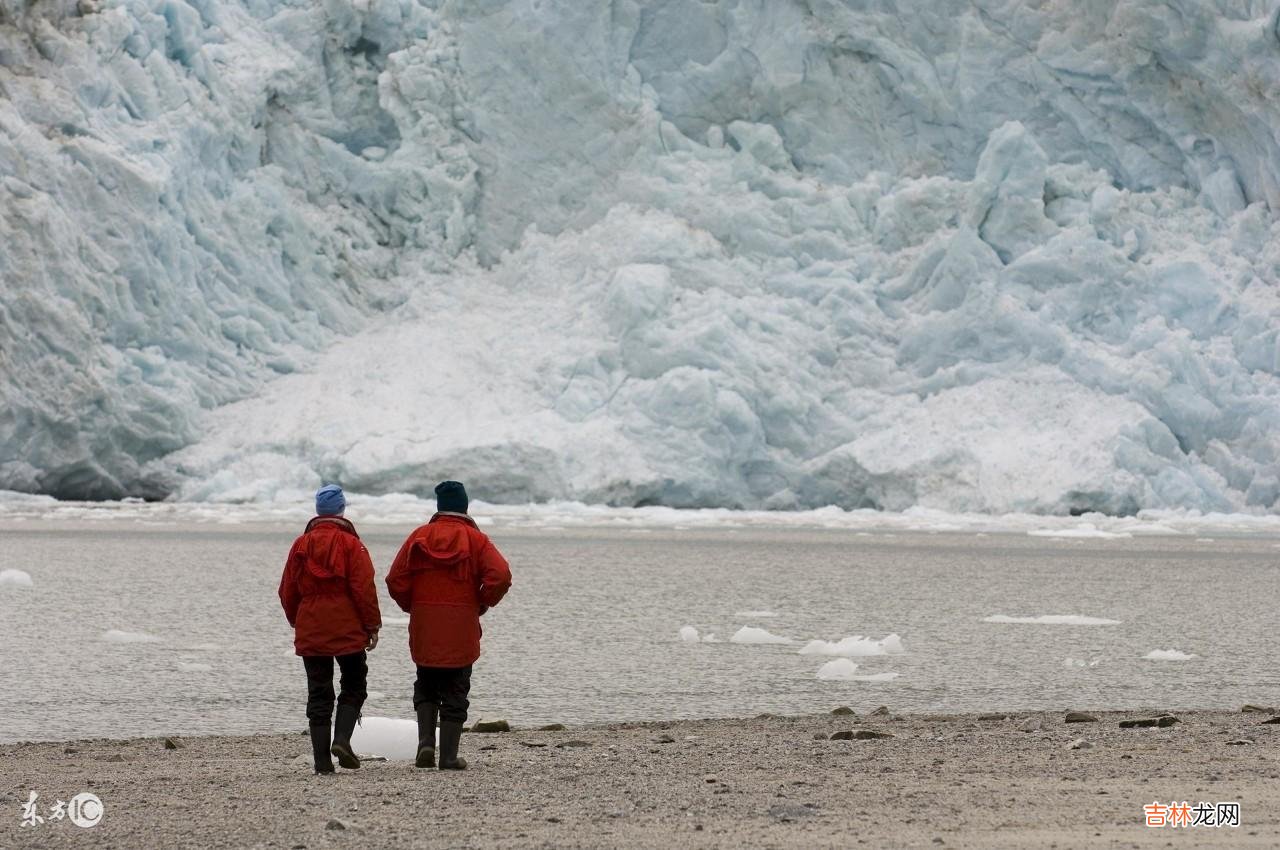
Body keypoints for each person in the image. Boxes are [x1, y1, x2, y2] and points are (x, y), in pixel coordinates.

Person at [386, 480, 512, 770]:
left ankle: (426, 744)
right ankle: (449, 756)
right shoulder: (476, 540)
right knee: (456, 689)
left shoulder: (419, 537)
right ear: (465, 507)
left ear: (440, 507)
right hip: (461, 626)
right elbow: (501, 576)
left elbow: (395, 580)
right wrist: (481, 602)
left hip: (425, 625)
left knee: (427, 684)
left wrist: (413, 606)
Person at [279, 484, 382, 774]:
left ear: (317, 511)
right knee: (354, 682)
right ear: (341, 509)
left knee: (318, 692)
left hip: (311, 625)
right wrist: (372, 625)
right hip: (347, 626)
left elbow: (287, 590)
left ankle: (322, 762)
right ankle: (342, 739)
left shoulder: (300, 545)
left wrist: (298, 621)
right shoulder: (352, 545)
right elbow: (363, 588)